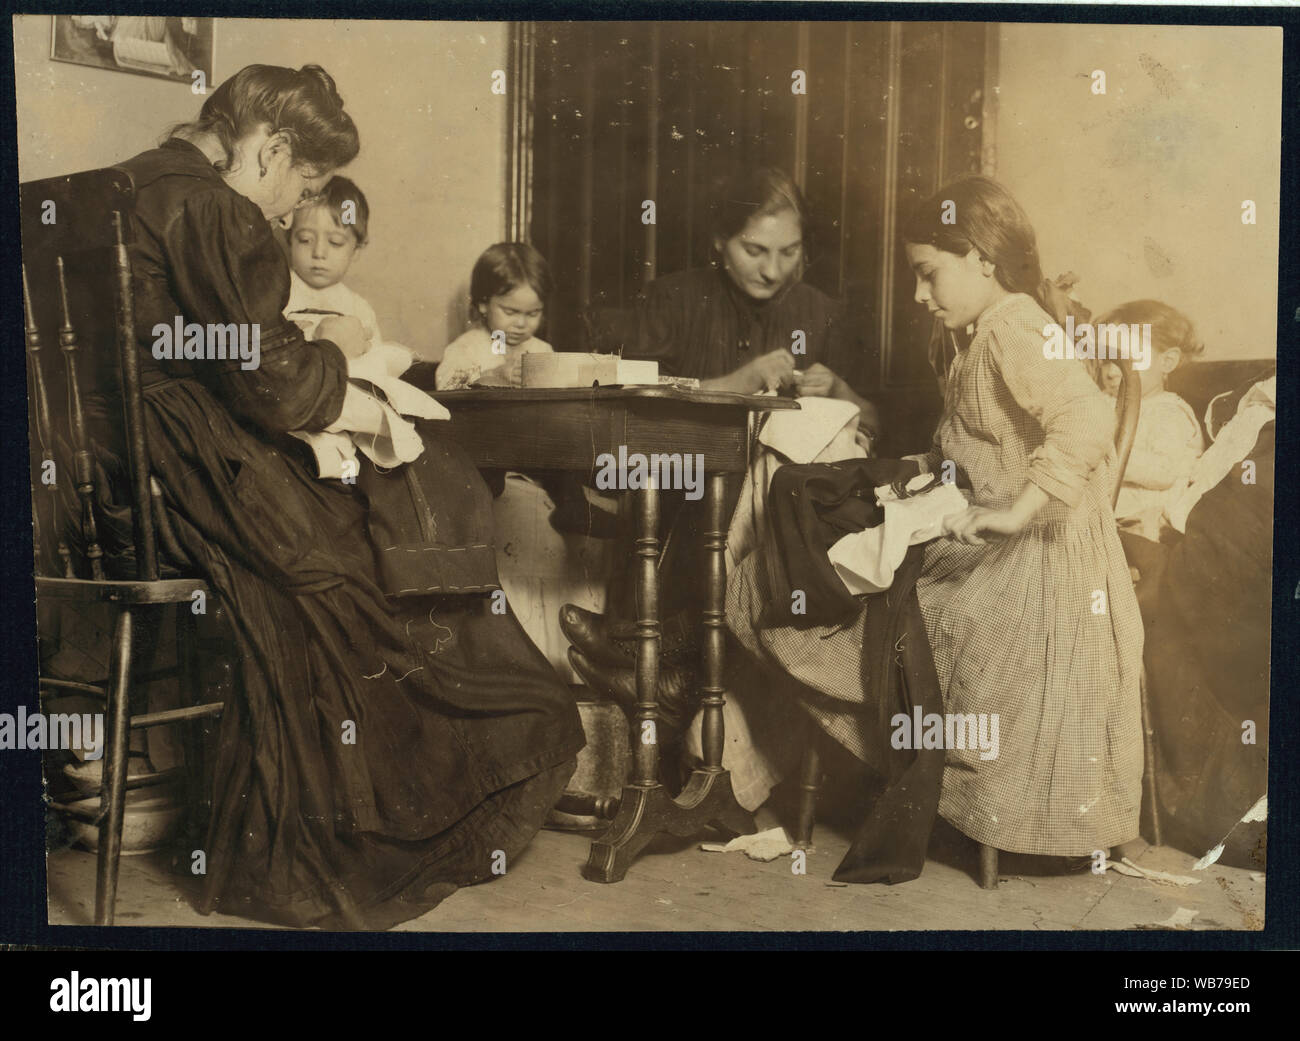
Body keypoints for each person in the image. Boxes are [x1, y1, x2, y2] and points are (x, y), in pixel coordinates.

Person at [99, 64, 583, 929]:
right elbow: (277, 381)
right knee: (368, 553)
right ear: (274, 148)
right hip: (184, 467)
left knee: (371, 513)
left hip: (110, 476)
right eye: (305, 187)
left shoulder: (127, 183)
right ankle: (385, 816)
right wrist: (351, 377)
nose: (292, 212)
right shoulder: (213, 206)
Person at [726, 175, 1144, 864]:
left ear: (982, 257)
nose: (919, 296)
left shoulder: (1016, 325)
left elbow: (1088, 416)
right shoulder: (978, 336)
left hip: (1038, 561)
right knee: (789, 570)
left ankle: (751, 739)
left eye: (928, 275)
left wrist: (1016, 512)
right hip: (990, 538)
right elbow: (972, 450)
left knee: (821, 602)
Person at [565, 168, 882, 715]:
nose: (773, 269)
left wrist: (839, 388)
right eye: (755, 250)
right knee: (718, 480)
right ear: (720, 241)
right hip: (681, 483)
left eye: (790, 252)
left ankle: (647, 657)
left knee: (756, 490)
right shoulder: (675, 299)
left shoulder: (820, 312)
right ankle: (661, 666)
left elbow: (875, 425)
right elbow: (624, 400)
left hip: (781, 503)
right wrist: (732, 385)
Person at [1095, 300, 1205, 540]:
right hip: (1101, 513)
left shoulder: (1170, 413)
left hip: (1142, 521)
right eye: (1106, 360)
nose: (1112, 371)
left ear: (1167, 362)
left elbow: (1163, 471)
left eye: (1126, 360)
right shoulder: (1103, 400)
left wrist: (1100, 452)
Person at [436, 243, 554, 389]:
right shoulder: (466, 348)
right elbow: (447, 388)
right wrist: (493, 376)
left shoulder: (543, 350)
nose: (521, 323)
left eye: (533, 313)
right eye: (510, 312)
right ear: (483, 304)